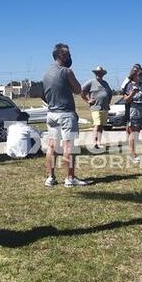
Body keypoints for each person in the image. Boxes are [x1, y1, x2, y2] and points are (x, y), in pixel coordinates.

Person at [43, 43, 91, 187]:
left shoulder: (46, 73)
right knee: (68, 147)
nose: (70, 57)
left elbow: (43, 94)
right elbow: (78, 90)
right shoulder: (66, 71)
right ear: (61, 56)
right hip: (66, 114)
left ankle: (50, 178)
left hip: (51, 114)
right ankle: (70, 179)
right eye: (68, 55)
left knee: (51, 146)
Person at [122, 66, 142, 162]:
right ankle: (132, 155)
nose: (141, 76)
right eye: (140, 74)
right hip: (135, 112)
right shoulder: (129, 85)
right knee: (134, 133)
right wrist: (132, 94)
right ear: (134, 75)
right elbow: (126, 99)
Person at [81, 65, 113, 150]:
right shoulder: (91, 82)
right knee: (97, 124)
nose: (99, 74)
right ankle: (94, 143)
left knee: (101, 125)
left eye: (101, 73)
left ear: (103, 74)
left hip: (105, 108)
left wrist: (108, 101)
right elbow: (82, 91)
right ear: (95, 73)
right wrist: (88, 100)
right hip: (95, 107)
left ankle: (99, 142)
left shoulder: (105, 83)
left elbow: (110, 93)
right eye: (98, 73)